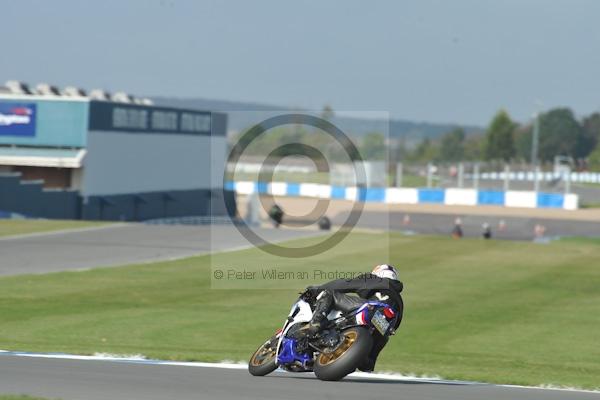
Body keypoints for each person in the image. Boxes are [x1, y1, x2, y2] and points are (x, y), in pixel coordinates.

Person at [304, 264, 404, 373]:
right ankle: (367, 361)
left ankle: (315, 323)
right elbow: (395, 324)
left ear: (379, 273)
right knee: (383, 338)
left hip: (371, 308)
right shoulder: (399, 300)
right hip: (385, 325)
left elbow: (345, 284)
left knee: (330, 294)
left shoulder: (378, 280)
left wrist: (317, 290)